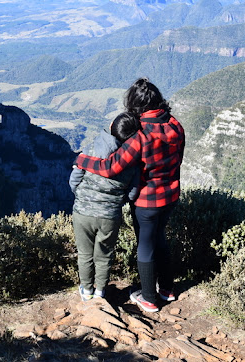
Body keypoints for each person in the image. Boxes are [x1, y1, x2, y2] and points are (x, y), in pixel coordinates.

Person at [73, 77, 185, 312]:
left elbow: (110, 167)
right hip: (171, 194)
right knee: (160, 239)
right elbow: (178, 160)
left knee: (145, 245)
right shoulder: (175, 125)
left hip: (147, 200)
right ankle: (167, 289)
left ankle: (149, 299)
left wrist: (81, 160)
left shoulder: (140, 135)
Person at [69, 112, 141, 301]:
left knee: (84, 254)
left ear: (110, 125)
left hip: (82, 212)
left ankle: (86, 291)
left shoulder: (90, 149)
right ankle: (100, 291)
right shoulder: (131, 160)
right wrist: (116, 201)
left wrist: (83, 197)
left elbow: (74, 179)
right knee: (104, 255)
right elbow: (132, 193)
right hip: (109, 215)